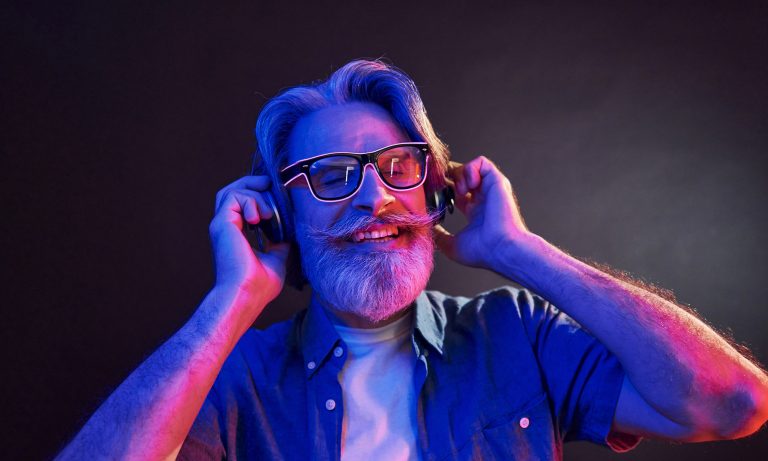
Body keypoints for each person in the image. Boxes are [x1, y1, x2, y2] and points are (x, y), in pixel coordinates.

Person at [57, 59, 768, 461]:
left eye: (400, 165)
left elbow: (733, 401)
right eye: (333, 174)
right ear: (280, 215)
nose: (376, 199)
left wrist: (521, 252)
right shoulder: (234, 374)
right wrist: (229, 303)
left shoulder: (517, 333)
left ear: (435, 189)